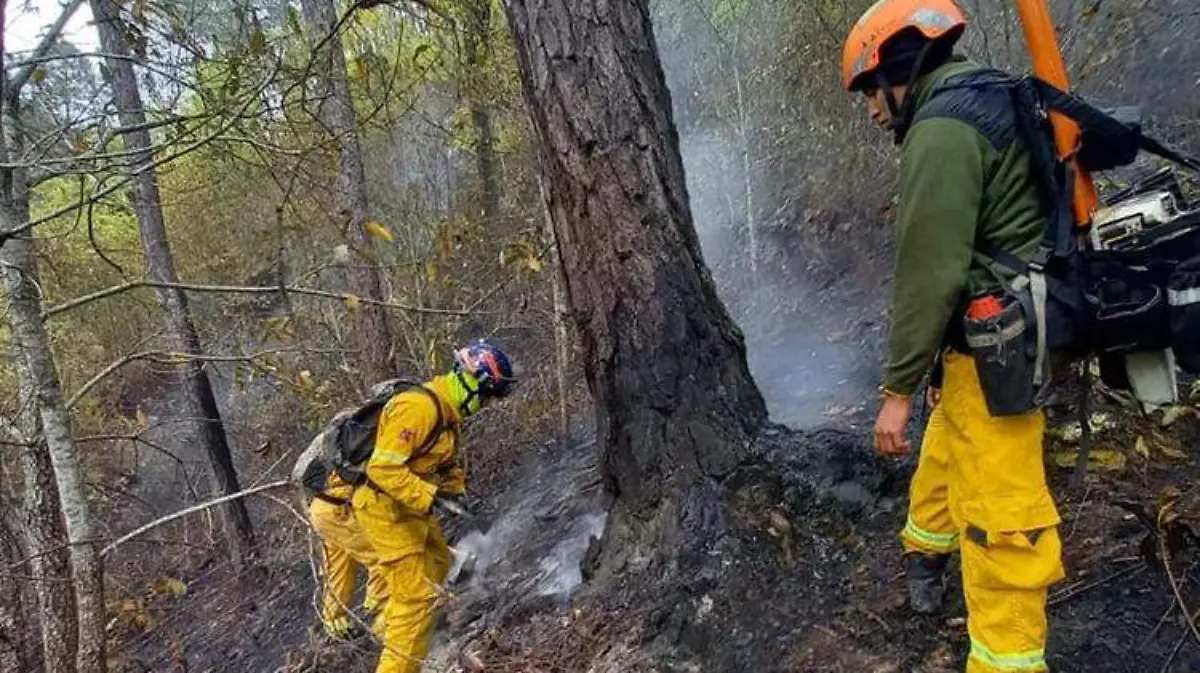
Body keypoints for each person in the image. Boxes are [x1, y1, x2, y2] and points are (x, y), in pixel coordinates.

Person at [842, 1, 1065, 671]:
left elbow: (930, 270)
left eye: (871, 93)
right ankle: (927, 553)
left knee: (1003, 512)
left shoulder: (942, 128)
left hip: (1002, 345)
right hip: (983, 341)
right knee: (948, 439)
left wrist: (898, 390)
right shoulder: (982, 94)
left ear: (900, 69)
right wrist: (938, 366)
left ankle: (1006, 657)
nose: (872, 110)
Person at [353, 340, 515, 673]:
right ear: (470, 381)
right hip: (383, 510)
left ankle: (391, 633)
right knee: (416, 599)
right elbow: (382, 469)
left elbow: (444, 465)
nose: (484, 405)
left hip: (408, 508)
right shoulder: (418, 408)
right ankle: (397, 660)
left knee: (440, 563)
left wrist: (457, 495)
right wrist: (431, 495)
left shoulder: (447, 417)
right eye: (485, 396)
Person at [309, 472, 389, 639]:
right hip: (338, 509)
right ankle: (385, 622)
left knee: (338, 566)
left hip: (322, 509)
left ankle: (335, 621)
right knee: (386, 556)